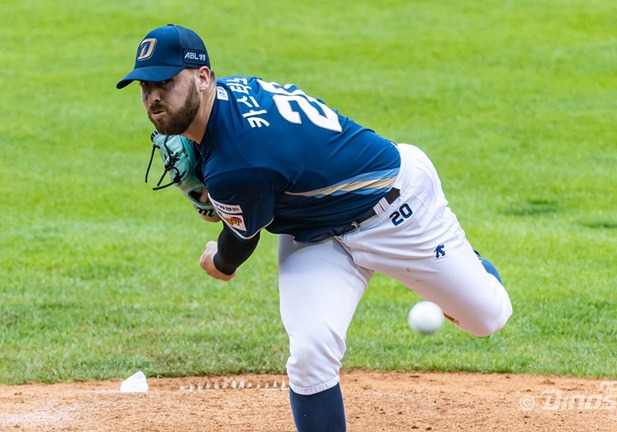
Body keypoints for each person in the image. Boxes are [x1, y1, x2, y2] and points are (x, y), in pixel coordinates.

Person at [117, 24, 512, 432]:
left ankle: (471, 265)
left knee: (487, 318)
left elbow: (239, 242)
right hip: (315, 235)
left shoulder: (239, 166)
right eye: (144, 87)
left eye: (165, 81)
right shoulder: (227, 100)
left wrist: (218, 261)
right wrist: (225, 194)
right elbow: (253, 180)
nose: (153, 96)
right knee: (310, 355)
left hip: (400, 209)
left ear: (203, 77)